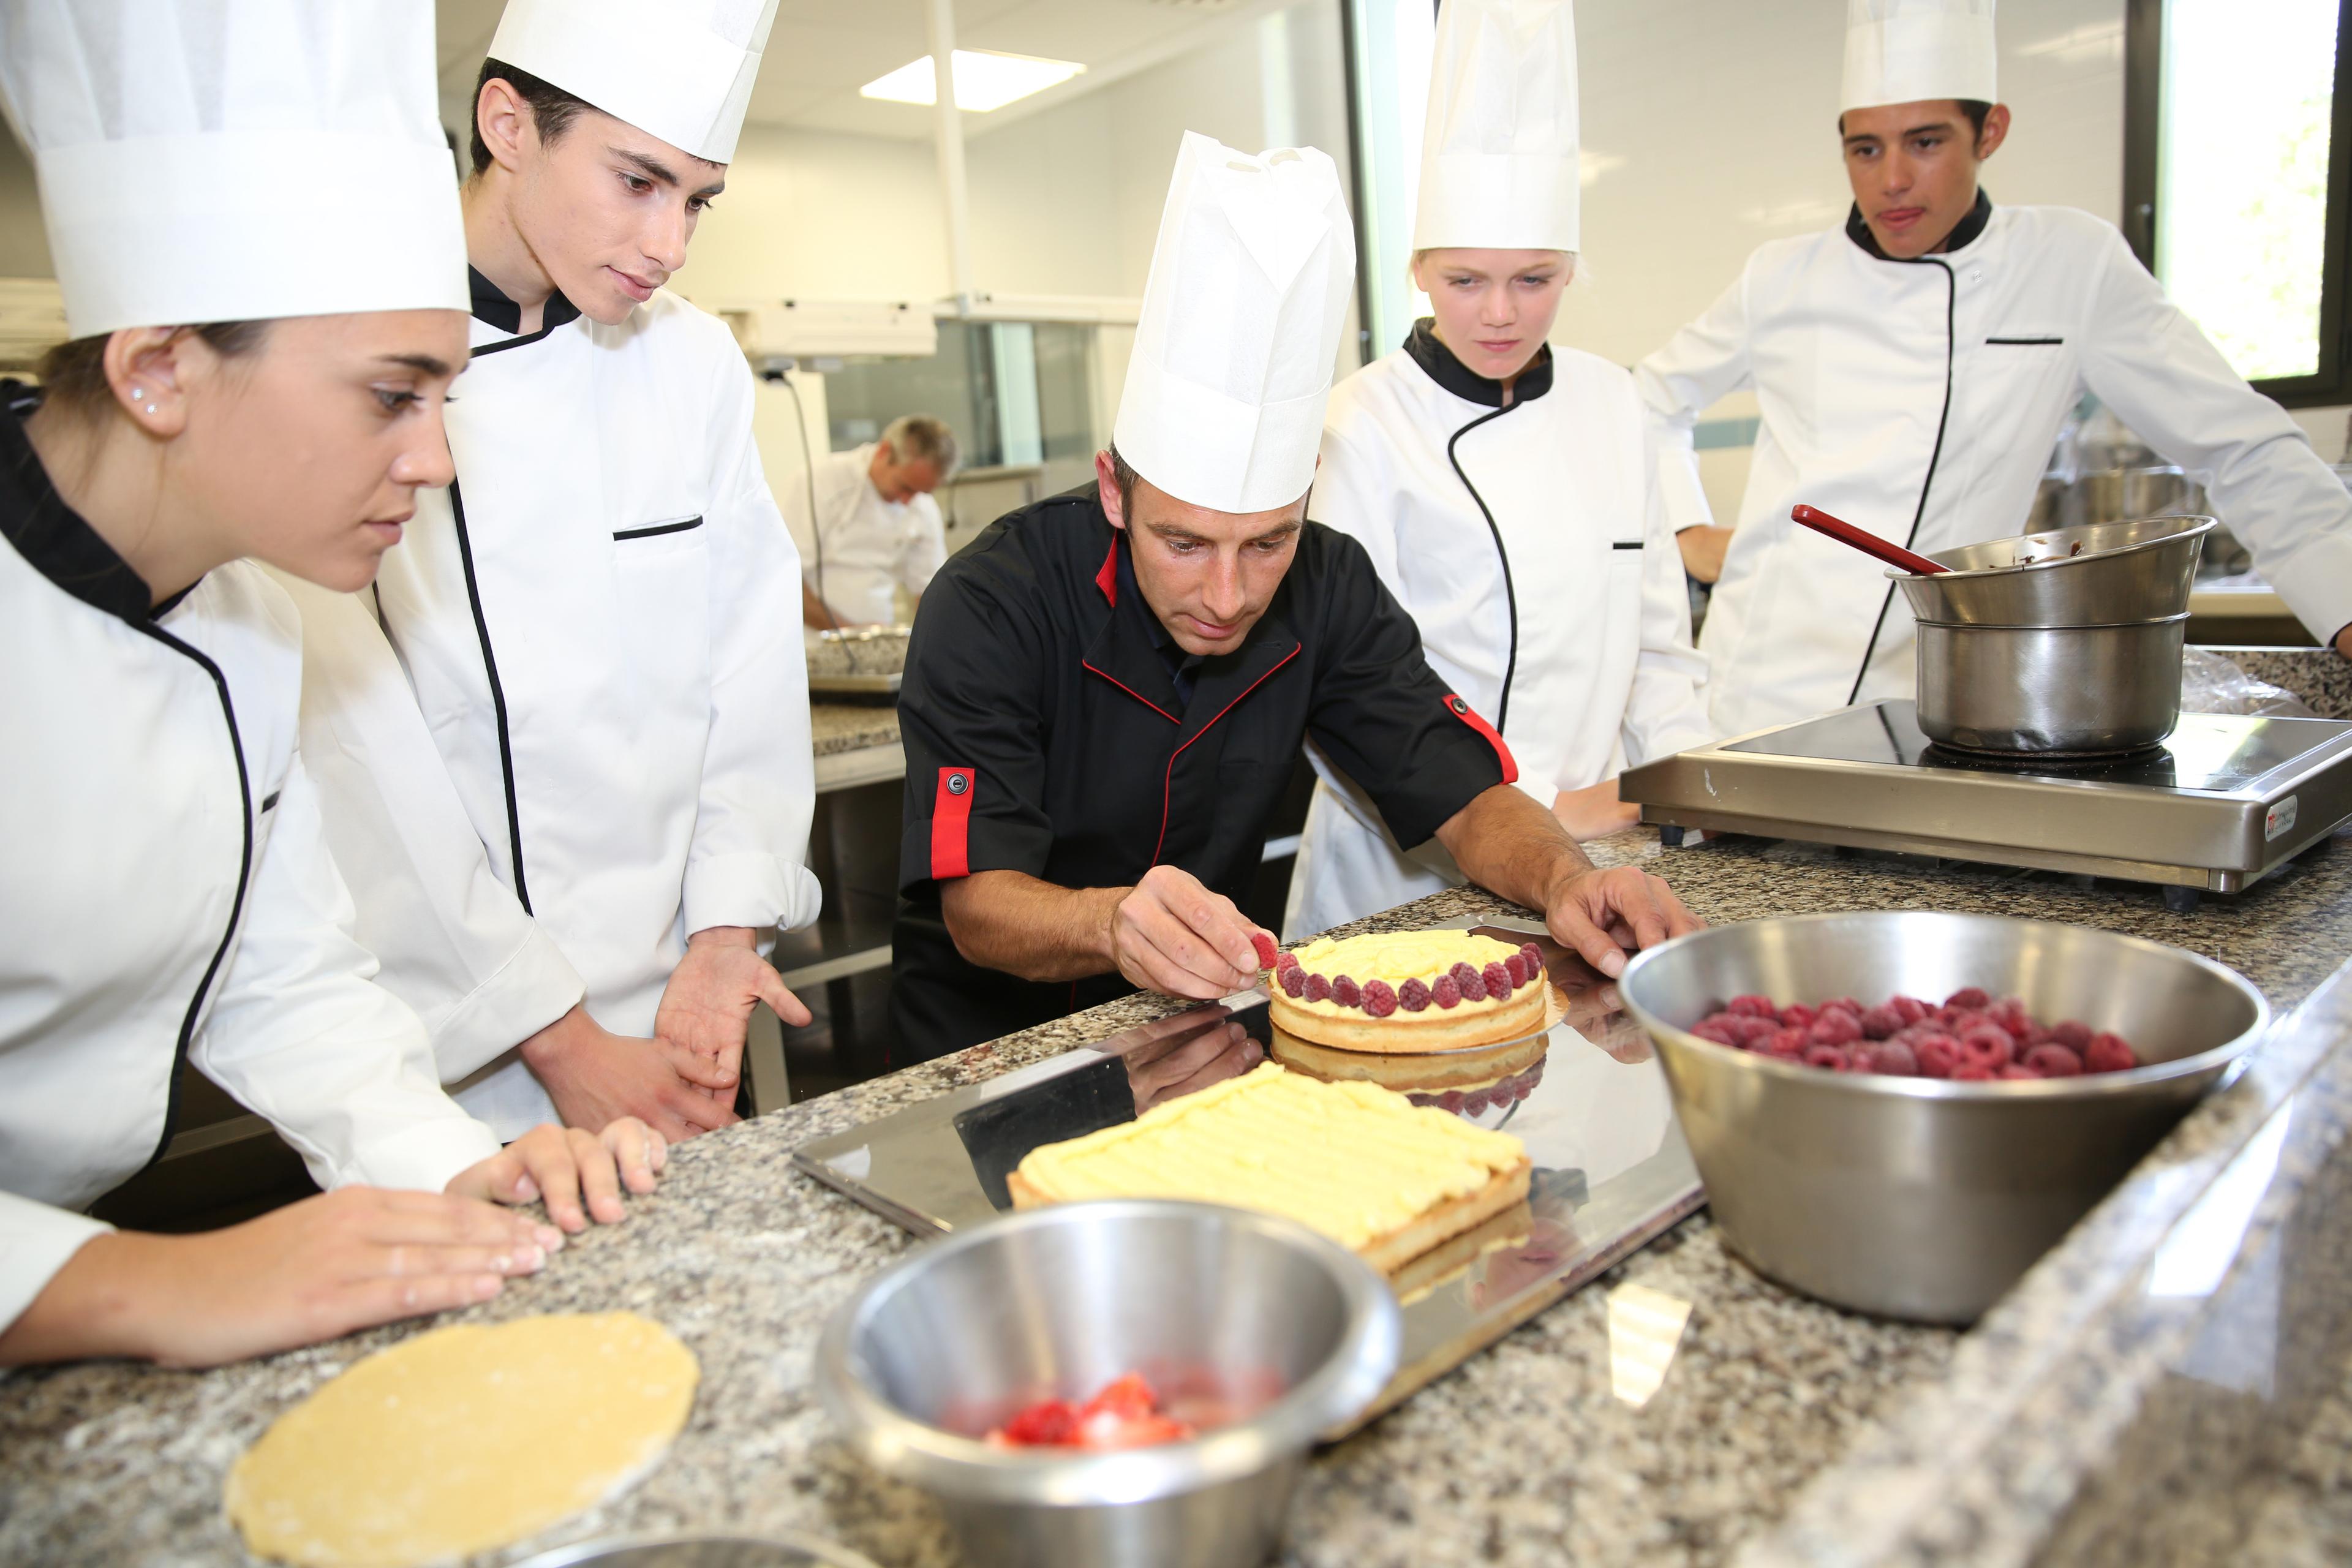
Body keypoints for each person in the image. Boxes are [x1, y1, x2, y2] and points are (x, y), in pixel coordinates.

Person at [0, 0, 660, 1370]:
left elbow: (280, 971)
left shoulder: (245, 613)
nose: (435, 461)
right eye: (390, 396)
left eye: (447, 401)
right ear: (158, 370)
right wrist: (131, 1286)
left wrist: (449, 1169)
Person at [888, 132, 1701, 1060]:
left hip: (1187, 1033)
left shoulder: (1329, 582)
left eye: (1267, 541)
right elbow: (976, 904)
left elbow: (1464, 795)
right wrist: (1110, 921)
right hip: (986, 1051)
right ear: (1116, 491)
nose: (1228, 595)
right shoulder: (996, 600)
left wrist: (1564, 879)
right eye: (1183, 542)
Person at [270, 0, 823, 1147]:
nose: (671, 244)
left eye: (697, 200)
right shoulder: (353, 368)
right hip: (455, 1035)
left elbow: (751, 666)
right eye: (637, 182)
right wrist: (558, 1039)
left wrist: (729, 929)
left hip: (685, 1010)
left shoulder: (694, 363)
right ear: (508, 124)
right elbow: (361, 753)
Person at [1638, 0, 2352, 738]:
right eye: (1865, 149)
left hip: (1935, 701)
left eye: (1925, 142)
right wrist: (1688, 525)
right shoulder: (1780, 276)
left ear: (1991, 132)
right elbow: (1651, 400)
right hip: (1754, 693)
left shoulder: (2070, 265)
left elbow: (2242, 446)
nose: (1891, 181)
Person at [1285, 0, 1713, 940]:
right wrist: (1552, 807)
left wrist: (1692, 797)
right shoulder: (1362, 423)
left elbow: (1659, 651)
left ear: (1570, 271)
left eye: (1535, 281)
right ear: (1419, 272)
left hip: (1609, 857)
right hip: (1403, 877)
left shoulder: (1613, 403)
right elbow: (1347, 694)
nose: (1501, 317)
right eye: (1466, 281)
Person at [786, 414, 957, 631]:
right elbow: (787, 580)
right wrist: (851, 634)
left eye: (918, 492)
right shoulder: (818, 482)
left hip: (878, 635)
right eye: (905, 487)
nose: (907, 501)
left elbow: (931, 592)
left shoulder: (923, 508)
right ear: (885, 452)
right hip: (811, 640)